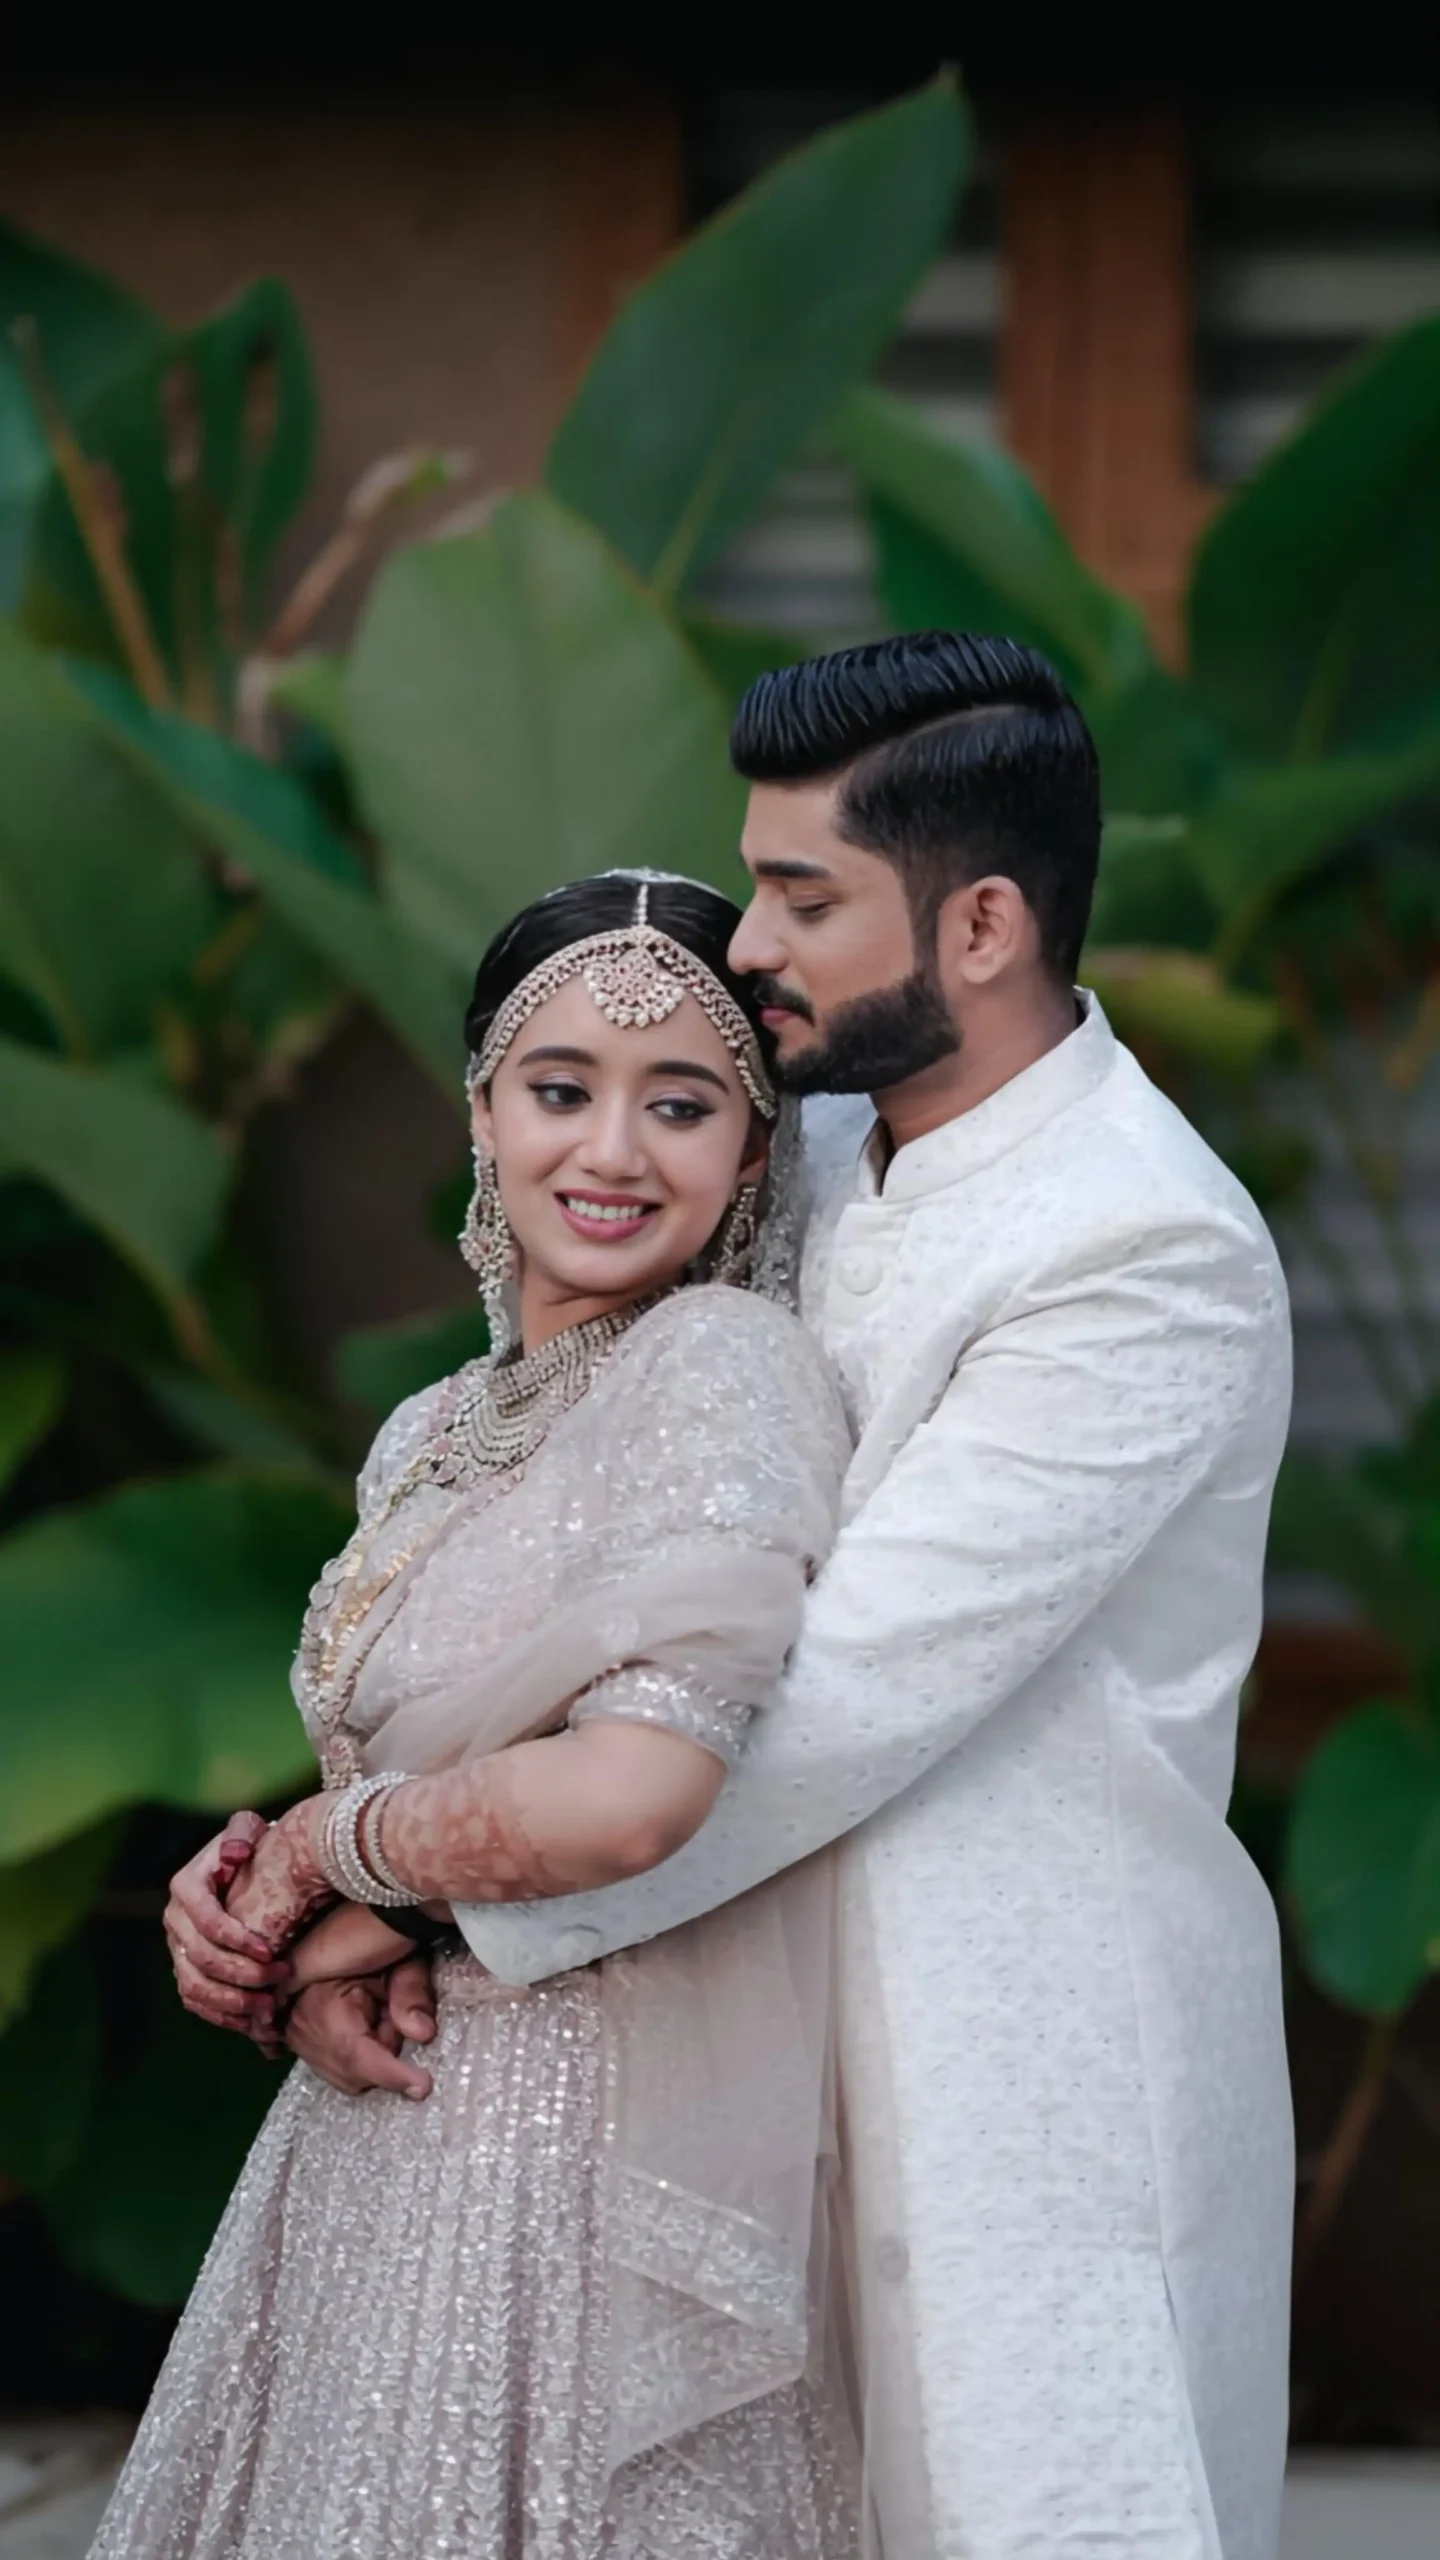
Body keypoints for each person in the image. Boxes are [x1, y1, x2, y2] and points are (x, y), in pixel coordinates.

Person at [289, 633, 1294, 2560]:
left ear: (982, 924)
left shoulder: (1142, 1248)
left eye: (806, 898)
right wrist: (375, 1853)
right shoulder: (804, 1148)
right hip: (726, 2050)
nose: (749, 945)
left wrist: (392, 1884)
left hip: (1018, 2067)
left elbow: (829, 1694)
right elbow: (575, 1521)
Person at [90, 872, 861, 2560]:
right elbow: (404, 1767)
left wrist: (329, 1856)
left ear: (754, 1151)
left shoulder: (720, 1365)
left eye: (683, 1105)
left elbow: (637, 1790)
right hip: (386, 2136)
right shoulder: (434, 1424)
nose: (612, 1151)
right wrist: (265, 1932)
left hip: (577, 2153)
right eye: (560, 1088)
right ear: (483, 1114)